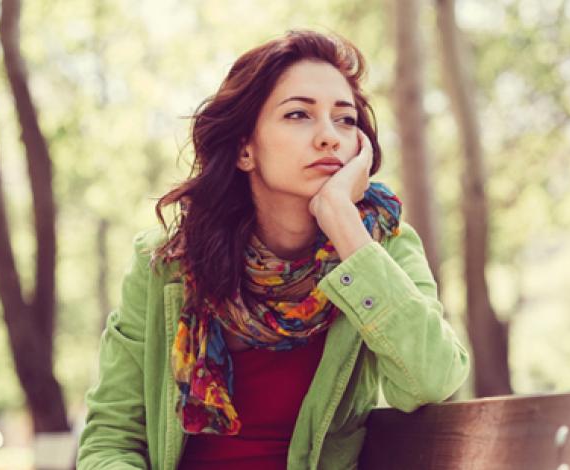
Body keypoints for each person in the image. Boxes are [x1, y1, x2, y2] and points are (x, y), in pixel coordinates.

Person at [76, 29, 470, 470]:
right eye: (299, 115)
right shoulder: (168, 263)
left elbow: (431, 380)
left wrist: (341, 218)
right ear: (245, 149)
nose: (329, 137)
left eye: (345, 120)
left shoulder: (379, 248)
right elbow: (110, 440)